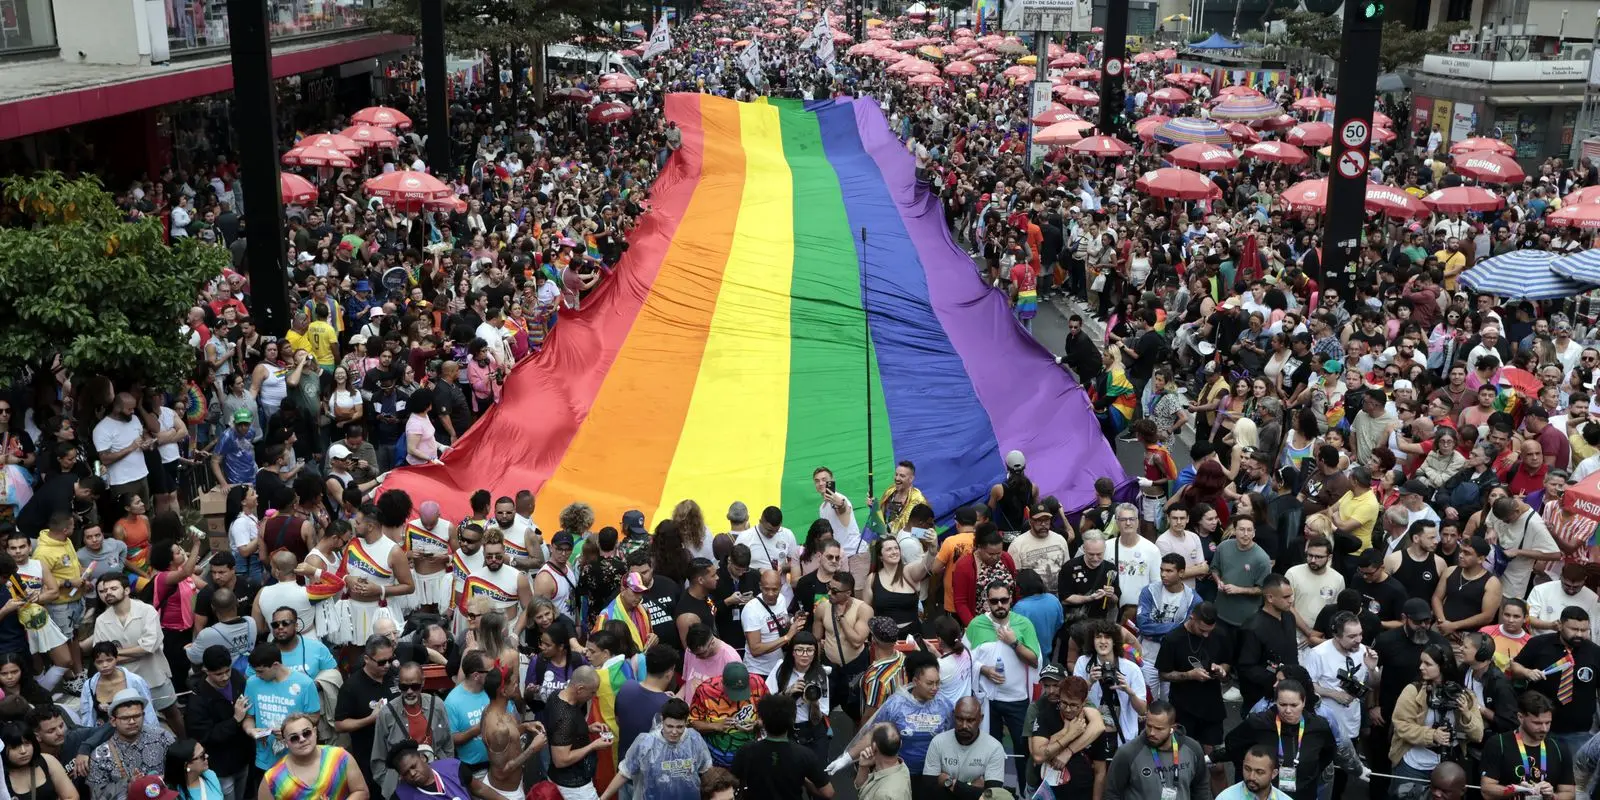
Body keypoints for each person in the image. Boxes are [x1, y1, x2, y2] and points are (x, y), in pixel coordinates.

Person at [90, 573, 183, 737]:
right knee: (134, 721)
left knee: (171, 712)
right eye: (103, 591)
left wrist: (115, 655)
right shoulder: (102, 620)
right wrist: (130, 653)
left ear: (126, 590)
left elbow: (149, 647)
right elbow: (102, 656)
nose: (108, 593)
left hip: (154, 675)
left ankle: (186, 745)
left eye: (113, 588)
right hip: (124, 681)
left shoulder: (147, 611)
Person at [1389, 643, 1484, 789]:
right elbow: (1401, 726)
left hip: (1449, 768)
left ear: (1443, 667)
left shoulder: (1465, 695)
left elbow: (1478, 735)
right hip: (1415, 766)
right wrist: (1432, 735)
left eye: (1428, 664)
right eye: (1421, 662)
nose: (1421, 667)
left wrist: (1466, 713)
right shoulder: (1413, 691)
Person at [1221, 681, 1336, 800]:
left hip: (1304, 793)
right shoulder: (1259, 724)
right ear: (1275, 702)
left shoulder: (1318, 726)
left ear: (1303, 702)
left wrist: (1309, 773)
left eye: (1294, 705)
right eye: (1283, 704)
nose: (1288, 710)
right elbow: (1233, 744)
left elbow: (1328, 754)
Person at [1508, 607, 1600, 755]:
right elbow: (1514, 666)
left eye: (1584, 630)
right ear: (1561, 625)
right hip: (1537, 727)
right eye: (1574, 629)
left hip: (1578, 733)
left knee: (1573, 776)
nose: (1579, 634)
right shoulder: (1539, 644)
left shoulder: (1595, 652)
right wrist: (1527, 672)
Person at [850, 650, 953, 780]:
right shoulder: (895, 705)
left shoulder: (945, 705)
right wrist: (846, 759)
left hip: (933, 775)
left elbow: (952, 736)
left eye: (938, 683)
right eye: (929, 683)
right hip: (899, 774)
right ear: (915, 681)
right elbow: (874, 733)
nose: (935, 688)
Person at [967, 578, 1040, 762]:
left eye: (1004, 600)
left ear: (1011, 600)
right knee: (990, 750)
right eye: (994, 601)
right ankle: (993, 789)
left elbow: (1034, 661)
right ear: (987, 602)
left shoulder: (1024, 624)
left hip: (1017, 699)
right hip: (988, 700)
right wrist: (984, 670)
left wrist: (1014, 642)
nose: (1000, 605)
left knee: (1023, 749)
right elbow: (964, 660)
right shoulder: (976, 625)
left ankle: (1025, 789)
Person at [369, 662, 454, 798]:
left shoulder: (437, 705)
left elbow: (447, 745)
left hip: (437, 778)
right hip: (403, 785)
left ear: (423, 683)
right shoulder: (387, 713)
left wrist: (448, 770)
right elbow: (378, 758)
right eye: (404, 687)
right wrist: (391, 787)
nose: (409, 691)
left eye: (414, 686)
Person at [601, 696, 710, 800]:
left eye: (679, 727)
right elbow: (625, 773)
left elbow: (706, 770)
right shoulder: (646, 743)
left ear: (686, 722)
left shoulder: (694, 739)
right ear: (662, 721)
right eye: (670, 726)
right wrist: (603, 798)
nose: (674, 732)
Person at [731, 694, 835, 800]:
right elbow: (828, 793)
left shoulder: (746, 751)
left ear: (762, 719)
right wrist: (803, 778)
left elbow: (731, 785)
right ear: (793, 719)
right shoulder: (804, 755)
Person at [1104, 700, 1210, 800]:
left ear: (1172, 728)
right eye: (1149, 726)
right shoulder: (1128, 753)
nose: (1152, 733)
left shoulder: (1192, 748)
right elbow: (1112, 794)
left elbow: (1201, 788)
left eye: (1159, 729)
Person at [183, 645, 252, 800]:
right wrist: (235, 720)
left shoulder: (236, 677)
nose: (225, 677)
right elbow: (204, 736)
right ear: (206, 671)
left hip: (243, 758)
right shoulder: (198, 699)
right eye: (218, 674)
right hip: (220, 767)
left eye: (227, 671)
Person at [241, 643, 321, 775]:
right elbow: (249, 717)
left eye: (261, 671)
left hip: (297, 757)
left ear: (276, 665)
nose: (257, 675)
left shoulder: (305, 683)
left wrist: (289, 729)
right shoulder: (252, 683)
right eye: (255, 671)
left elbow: (315, 717)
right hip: (265, 759)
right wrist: (251, 730)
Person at [1480, 692, 1576, 800]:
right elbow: (1486, 790)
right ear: (1520, 717)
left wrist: (1553, 796)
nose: (1544, 729)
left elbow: (1569, 792)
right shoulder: (1498, 744)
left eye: (1548, 723)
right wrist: (1515, 790)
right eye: (1537, 723)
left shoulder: (1559, 747)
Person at [332, 634, 398, 788]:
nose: (387, 665)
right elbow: (340, 725)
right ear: (367, 659)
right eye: (381, 662)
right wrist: (370, 719)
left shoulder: (394, 675)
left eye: (390, 659)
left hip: (398, 754)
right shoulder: (351, 687)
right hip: (369, 758)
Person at [257, 712, 368, 800]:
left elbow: (361, 791)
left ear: (315, 732)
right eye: (294, 738)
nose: (302, 739)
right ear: (285, 742)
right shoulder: (273, 778)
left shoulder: (340, 757)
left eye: (306, 733)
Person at [86, 689, 173, 800]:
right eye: (125, 718)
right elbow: (96, 795)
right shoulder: (100, 755)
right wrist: (128, 785)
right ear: (113, 721)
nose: (132, 721)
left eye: (137, 716)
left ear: (144, 715)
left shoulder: (162, 737)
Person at [1031, 676, 1106, 797]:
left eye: (1074, 705)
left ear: (1084, 702)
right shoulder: (1046, 716)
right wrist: (1069, 733)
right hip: (1050, 793)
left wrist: (1068, 751)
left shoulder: (1093, 723)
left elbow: (1100, 772)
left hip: (1082, 793)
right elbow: (1038, 756)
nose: (1068, 709)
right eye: (1064, 703)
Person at [689, 661, 768, 769]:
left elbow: (770, 712)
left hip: (752, 753)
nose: (738, 699)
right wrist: (716, 726)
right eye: (733, 692)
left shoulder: (757, 683)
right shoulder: (705, 691)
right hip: (718, 757)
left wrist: (758, 723)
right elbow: (693, 722)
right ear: (723, 683)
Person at [765, 632, 830, 762]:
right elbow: (766, 703)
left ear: (815, 652)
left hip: (811, 732)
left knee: (815, 773)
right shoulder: (781, 670)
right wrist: (787, 693)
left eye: (809, 650)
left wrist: (814, 702)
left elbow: (817, 720)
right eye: (799, 650)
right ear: (792, 652)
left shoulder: (821, 676)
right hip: (785, 729)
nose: (805, 655)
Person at [923, 696, 1006, 797]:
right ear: (954, 716)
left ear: (981, 719)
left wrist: (950, 783)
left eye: (971, 720)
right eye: (959, 719)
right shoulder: (938, 742)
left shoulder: (995, 748)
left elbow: (991, 796)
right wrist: (972, 787)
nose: (964, 726)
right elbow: (929, 788)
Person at [547, 665, 608, 800]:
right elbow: (561, 760)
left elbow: (563, 733)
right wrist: (593, 745)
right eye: (592, 692)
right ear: (580, 689)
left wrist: (587, 728)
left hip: (559, 779)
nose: (594, 696)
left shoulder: (556, 695)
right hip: (573, 787)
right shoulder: (565, 717)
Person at [1, 720, 77, 800]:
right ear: (4, 749)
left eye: (27, 743)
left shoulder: (47, 760)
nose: (23, 751)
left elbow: (72, 797)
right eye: (15, 747)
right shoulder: (2, 776)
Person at [386, 740, 475, 800]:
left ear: (422, 758)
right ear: (401, 776)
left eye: (413, 766)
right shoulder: (401, 796)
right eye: (406, 773)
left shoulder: (453, 767)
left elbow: (480, 789)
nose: (412, 773)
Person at [1215, 746, 1294, 800]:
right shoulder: (1225, 798)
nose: (1251, 777)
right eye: (1247, 769)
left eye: (1259, 772)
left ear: (1274, 774)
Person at [851, 723, 906, 800]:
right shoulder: (902, 767)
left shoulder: (883, 795)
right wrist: (863, 767)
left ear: (873, 746)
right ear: (900, 744)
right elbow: (862, 789)